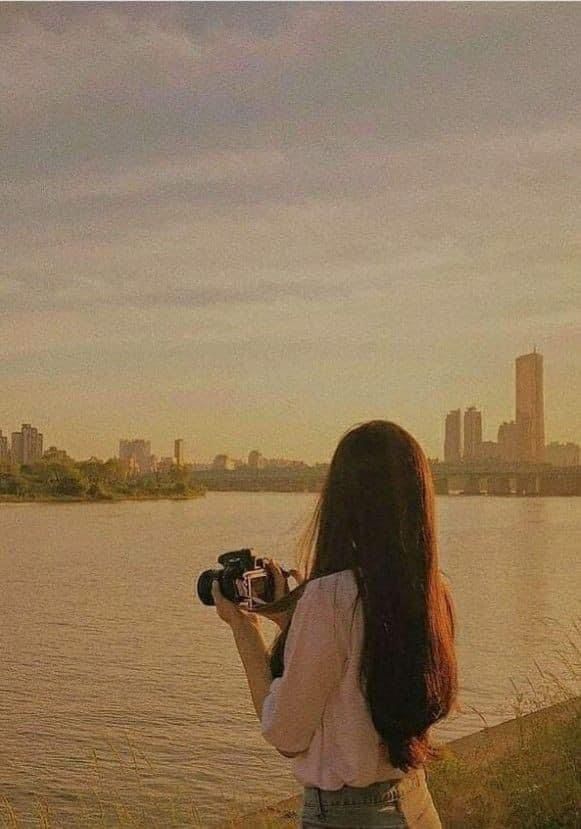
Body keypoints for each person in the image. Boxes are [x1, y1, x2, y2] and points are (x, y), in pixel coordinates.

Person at [211, 420, 458, 828]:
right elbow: (360, 668)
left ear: (342, 499)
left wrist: (243, 628)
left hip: (350, 817)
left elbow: (285, 735)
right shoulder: (434, 591)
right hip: (415, 805)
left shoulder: (330, 597)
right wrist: (291, 621)